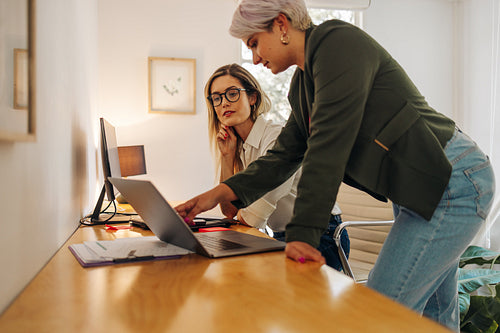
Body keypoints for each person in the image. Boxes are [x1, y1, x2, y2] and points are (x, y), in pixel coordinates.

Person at [176, 0, 495, 331]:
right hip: (422, 189)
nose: (254, 58)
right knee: (436, 319)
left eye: (255, 42)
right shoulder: (303, 84)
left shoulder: (337, 43)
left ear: (281, 25)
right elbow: (285, 155)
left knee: (379, 314)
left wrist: (304, 235)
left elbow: (328, 144)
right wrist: (218, 193)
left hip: (454, 181)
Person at [204, 63, 348, 270]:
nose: (224, 103)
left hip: (321, 237)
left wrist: (239, 212)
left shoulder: (278, 138)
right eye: (217, 98)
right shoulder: (240, 146)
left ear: (252, 97)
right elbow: (229, 211)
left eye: (232, 93)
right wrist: (227, 157)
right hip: (282, 237)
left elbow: (253, 217)